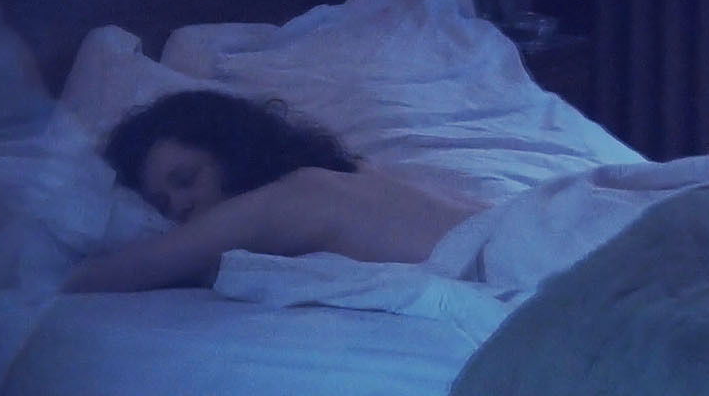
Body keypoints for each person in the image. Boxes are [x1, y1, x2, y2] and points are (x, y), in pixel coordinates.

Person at [63, 90, 485, 291]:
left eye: (186, 179)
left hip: (503, 256)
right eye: (161, 204)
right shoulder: (338, 173)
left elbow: (136, 267)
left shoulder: (280, 202)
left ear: (230, 153)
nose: (179, 207)